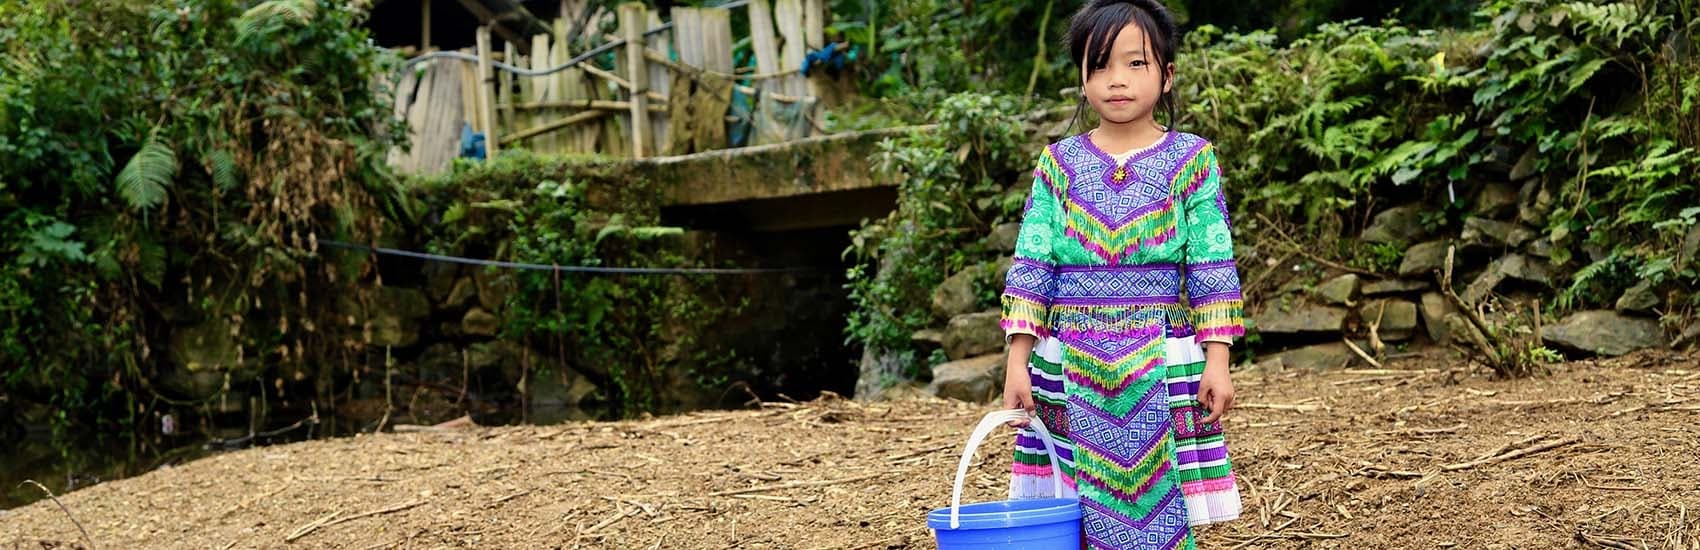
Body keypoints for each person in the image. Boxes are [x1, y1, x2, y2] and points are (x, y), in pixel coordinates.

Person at [999, 1, 1245, 547]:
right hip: (1067, 360)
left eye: (1136, 64)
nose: (1117, 81)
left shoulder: (1193, 160)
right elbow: (1032, 263)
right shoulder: (1057, 165)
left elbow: (1212, 262)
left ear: (1167, 74)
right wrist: (1018, 362)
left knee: (1165, 509)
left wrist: (1218, 361)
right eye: (1100, 64)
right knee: (1073, 516)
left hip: (1164, 358)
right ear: (1082, 79)